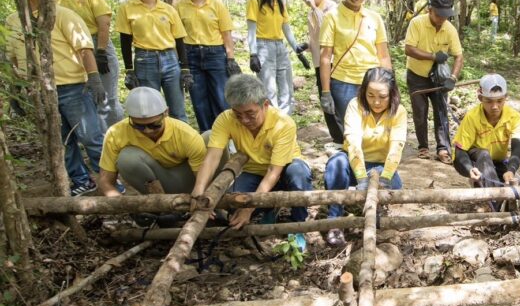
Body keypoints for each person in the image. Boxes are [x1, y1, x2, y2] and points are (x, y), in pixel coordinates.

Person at [6, 0, 106, 196]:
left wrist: (94, 79)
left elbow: (84, 48)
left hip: (72, 88)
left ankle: (109, 181)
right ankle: (82, 180)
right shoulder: (13, 21)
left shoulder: (61, 14)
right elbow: (12, 58)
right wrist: (16, 90)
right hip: (39, 92)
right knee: (60, 143)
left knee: (90, 137)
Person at [192, 74, 313, 237]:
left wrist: (249, 209)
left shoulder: (283, 123)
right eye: (238, 114)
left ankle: (299, 226)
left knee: (299, 174)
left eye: (250, 113)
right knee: (233, 205)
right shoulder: (225, 119)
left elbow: (273, 172)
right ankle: (269, 208)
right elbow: (212, 157)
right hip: (254, 172)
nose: (244, 120)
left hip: (285, 169)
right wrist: (199, 192)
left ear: (265, 105)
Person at [324, 68, 407, 246]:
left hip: (379, 166)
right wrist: (361, 176)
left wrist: (385, 176)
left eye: (382, 96)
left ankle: (372, 212)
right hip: (353, 163)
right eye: (370, 95)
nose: (376, 102)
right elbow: (353, 143)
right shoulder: (355, 106)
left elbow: (396, 146)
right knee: (335, 164)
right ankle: (334, 220)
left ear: (392, 94)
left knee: (394, 184)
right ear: (363, 92)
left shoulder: (399, 112)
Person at [48, 0, 124, 129]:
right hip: (68, 53)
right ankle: (100, 143)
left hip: (97, 45)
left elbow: (103, 24)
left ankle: (119, 140)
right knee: (88, 99)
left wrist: (101, 52)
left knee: (106, 98)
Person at [319, 0, 392, 139]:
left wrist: (390, 84)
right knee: (352, 132)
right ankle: (355, 165)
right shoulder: (332, 16)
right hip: (344, 84)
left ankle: (373, 165)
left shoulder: (374, 18)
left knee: (374, 130)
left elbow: (383, 55)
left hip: (373, 82)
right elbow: (325, 57)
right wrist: (326, 92)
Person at [116, 0, 192, 123]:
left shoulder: (168, 9)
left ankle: (183, 145)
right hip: (145, 60)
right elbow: (125, 41)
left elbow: (179, 40)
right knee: (151, 109)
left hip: (170, 60)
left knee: (178, 110)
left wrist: (184, 68)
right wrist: (129, 70)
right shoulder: (127, 8)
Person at [98, 86, 206, 198]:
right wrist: (122, 203)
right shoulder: (116, 134)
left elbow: (203, 178)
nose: (147, 131)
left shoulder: (185, 134)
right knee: (127, 159)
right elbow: (105, 181)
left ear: (166, 113)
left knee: (209, 138)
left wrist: (202, 199)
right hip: (160, 185)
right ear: (130, 118)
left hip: (191, 182)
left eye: (154, 125)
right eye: (139, 126)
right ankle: (160, 206)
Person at [175, 0, 240, 133]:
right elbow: (177, 37)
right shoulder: (180, 6)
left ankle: (228, 136)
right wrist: (182, 65)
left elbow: (226, 33)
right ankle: (207, 136)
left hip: (215, 53)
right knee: (199, 100)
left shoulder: (216, 4)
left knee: (221, 97)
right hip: (191, 55)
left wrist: (230, 58)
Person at [404, 0, 464, 164]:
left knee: (441, 111)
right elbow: (409, 49)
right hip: (417, 76)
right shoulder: (417, 23)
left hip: (439, 79)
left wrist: (452, 77)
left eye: (445, 16)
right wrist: (432, 56)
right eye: (438, 15)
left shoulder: (449, 29)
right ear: (430, 10)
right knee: (420, 112)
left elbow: (459, 56)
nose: (441, 19)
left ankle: (443, 148)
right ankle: (423, 146)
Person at [452, 74, 520, 212]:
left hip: (498, 162)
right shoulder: (472, 117)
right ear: (480, 99)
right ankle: (494, 207)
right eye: (489, 101)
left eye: (499, 101)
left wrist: (511, 170)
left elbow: (517, 148)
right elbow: (459, 150)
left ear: (506, 97)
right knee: (484, 155)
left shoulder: (515, 117)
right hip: (476, 160)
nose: (495, 106)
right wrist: (469, 169)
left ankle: (497, 201)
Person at [247, 0, 308, 115]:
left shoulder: (279, 3)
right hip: (263, 47)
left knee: (286, 86)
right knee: (269, 89)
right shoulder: (255, 2)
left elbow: (286, 29)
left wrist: (296, 48)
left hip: (280, 47)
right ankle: (271, 122)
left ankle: (285, 121)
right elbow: (251, 30)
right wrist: (253, 54)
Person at [299, 0, 342, 145]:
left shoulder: (332, 8)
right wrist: (306, 46)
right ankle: (336, 138)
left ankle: (344, 138)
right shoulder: (312, 12)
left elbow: (328, 29)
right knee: (325, 102)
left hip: (332, 62)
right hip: (318, 61)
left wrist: (314, 8)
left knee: (336, 100)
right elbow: (317, 39)